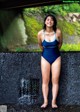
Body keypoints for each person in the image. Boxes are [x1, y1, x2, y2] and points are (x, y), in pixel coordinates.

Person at [37, 14, 63, 109]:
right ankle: (45, 101)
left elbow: (60, 44)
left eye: (52, 20)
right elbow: (40, 45)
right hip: (45, 58)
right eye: (47, 19)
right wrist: (46, 51)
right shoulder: (40, 33)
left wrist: (53, 50)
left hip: (56, 57)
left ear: (54, 22)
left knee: (55, 81)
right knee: (45, 81)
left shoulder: (58, 32)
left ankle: (53, 102)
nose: (49, 21)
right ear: (45, 22)